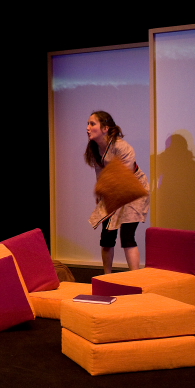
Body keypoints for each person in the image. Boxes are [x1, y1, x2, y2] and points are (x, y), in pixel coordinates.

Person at [85, 111, 150, 273]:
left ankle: (135, 279)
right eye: (88, 124)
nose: (88, 128)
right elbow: (101, 174)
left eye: (92, 124)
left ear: (105, 128)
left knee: (127, 236)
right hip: (112, 190)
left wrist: (105, 190)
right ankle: (107, 276)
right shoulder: (95, 148)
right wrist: (101, 194)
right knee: (107, 237)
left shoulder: (122, 147)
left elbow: (123, 177)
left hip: (132, 190)